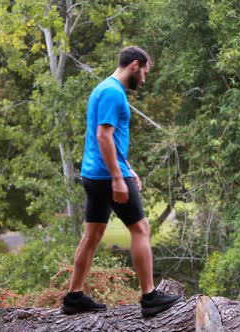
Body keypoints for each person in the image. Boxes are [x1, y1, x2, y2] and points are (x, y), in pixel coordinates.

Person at [61, 46, 182, 316]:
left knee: (92, 235)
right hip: (107, 175)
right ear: (135, 65)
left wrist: (127, 168)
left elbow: (106, 138)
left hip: (95, 173)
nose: (144, 80)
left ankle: (74, 296)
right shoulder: (114, 94)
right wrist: (118, 177)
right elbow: (103, 136)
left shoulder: (103, 89)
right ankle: (150, 297)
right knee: (140, 229)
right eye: (145, 73)